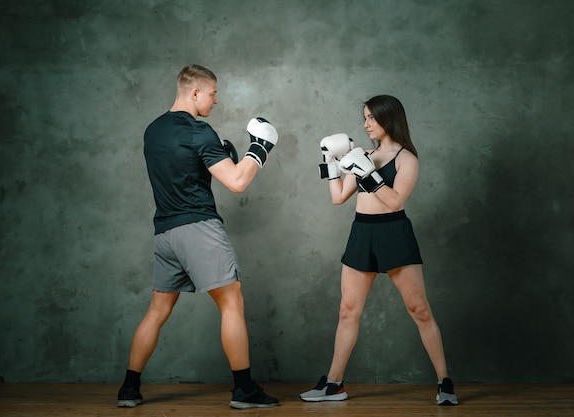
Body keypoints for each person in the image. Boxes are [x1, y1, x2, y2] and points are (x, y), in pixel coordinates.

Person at [117, 64, 279, 409]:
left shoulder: (153, 131)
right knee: (232, 302)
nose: (216, 100)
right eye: (213, 93)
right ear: (194, 92)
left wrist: (215, 157)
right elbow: (236, 181)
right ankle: (244, 390)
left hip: (165, 233)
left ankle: (129, 389)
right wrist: (260, 148)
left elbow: (181, 172)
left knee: (158, 310)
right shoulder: (198, 131)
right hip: (197, 229)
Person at [301, 95, 458, 406]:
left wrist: (368, 173)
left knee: (420, 311)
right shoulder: (363, 154)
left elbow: (396, 201)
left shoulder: (406, 158)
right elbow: (338, 197)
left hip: (393, 232)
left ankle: (445, 382)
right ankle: (334, 384)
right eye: (365, 117)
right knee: (348, 311)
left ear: (389, 118)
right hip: (362, 232)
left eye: (371, 117)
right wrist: (331, 164)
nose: (365, 124)